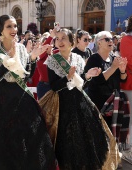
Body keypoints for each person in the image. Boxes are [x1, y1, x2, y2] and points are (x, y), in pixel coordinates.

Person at [0, 15, 57, 170]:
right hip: (1, 100)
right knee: (2, 141)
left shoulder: (21, 48)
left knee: (28, 138)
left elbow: (27, 77)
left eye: (15, 26)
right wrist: (9, 60)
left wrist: (33, 58)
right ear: (0, 29)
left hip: (22, 98)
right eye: (9, 26)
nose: (14, 30)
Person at [44, 28, 109, 170]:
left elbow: (80, 83)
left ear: (71, 42)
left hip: (79, 101)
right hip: (61, 104)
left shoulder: (78, 59)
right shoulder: (53, 60)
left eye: (63, 38)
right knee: (64, 139)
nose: (60, 41)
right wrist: (67, 77)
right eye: (58, 38)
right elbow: (54, 86)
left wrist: (88, 75)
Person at [84, 31, 129, 144]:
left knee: (112, 135)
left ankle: (112, 158)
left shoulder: (114, 57)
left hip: (114, 103)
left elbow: (123, 79)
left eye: (111, 39)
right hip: (99, 103)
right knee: (100, 136)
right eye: (107, 39)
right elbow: (98, 80)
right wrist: (114, 67)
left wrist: (123, 70)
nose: (111, 41)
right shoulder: (94, 59)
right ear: (99, 43)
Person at [120, 13, 132, 165]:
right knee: (131, 119)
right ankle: (126, 150)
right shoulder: (126, 39)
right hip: (130, 84)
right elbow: (129, 59)